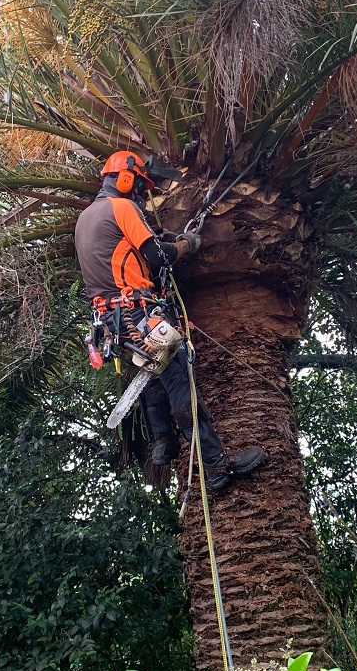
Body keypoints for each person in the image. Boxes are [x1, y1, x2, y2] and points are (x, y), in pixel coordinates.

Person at [75, 150, 265, 490]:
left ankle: (162, 442)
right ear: (126, 179)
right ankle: (215, 467)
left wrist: (158, 234)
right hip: (137, 311)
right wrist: (187, 245)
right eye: (140, 189)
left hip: (114, 322)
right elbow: (157, 256)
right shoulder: (122, 207)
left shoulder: (87, 218)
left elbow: (122, 253)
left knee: (153, 375)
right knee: (180, 383)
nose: (142, 198)